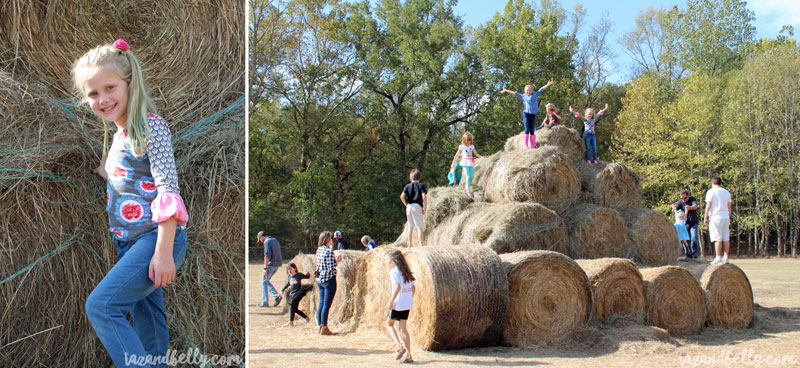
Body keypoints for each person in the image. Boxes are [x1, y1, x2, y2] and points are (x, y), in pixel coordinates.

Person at [76, 39, 189, 367]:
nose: (102, 99)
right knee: (149, 326)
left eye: (109, 88)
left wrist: (164, 252)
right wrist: (103, 171)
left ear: (129, 83)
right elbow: (127, 178)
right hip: (128, 245)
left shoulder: (150, 125)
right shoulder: (119, 136)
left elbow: (168, 188)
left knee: (101, 307)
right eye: (93, 94)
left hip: (154, 241)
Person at [500, 80, 555, 149]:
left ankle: (532, 145)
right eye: (527, 90)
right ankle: (525, 145)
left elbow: (541, 89)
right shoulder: (523, 96)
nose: (528, 92)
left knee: (532, 130)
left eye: (529, 90)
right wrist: (506, 90)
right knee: (527, 129)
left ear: (532, 91)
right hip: (526, 114)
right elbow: (515, 93)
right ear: (524, 91)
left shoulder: (535, 95)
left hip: (533, 115)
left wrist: (548, 84)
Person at [385, 250, 416, 364]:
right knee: (403, 328)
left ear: (393, 260)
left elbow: (397, 287)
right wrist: (408, 298)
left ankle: (399, 347)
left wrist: (391, 301)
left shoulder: (394, 271)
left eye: (387, 259)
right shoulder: (406, 271)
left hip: (398, 304)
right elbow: (413, 288)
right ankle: (409, 355)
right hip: (407, 303)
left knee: (389, 324)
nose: (387, 262)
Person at [315, 231, 342, 335]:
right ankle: (325, 327)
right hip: (329, 280)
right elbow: (331, 266)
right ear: (327, 239)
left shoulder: (319, 250)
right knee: (326, 304)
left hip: (320, 280)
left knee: (321, 303)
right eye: (330, 238)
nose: (332, 239)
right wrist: (338, 260)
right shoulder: (329, 251)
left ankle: (321, 326)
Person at [704, 177, 732, 264]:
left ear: (712, 183)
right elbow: (729, 206)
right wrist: (728, 215)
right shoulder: (726, 192)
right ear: (720, 183)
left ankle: (718, 257)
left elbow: (708, 205)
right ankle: (726, 257)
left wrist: (705, 217)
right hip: (725, 217)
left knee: (717, 238)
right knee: (726, 238)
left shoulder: (711, 192)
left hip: (716, 217)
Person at [449, 132, 482, 198]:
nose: (469, 142)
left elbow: (476, 154)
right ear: (464, 140)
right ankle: (468, 190)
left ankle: (466, 188)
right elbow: (456, 156)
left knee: (472, 176)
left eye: (470, 140)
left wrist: (481, 157)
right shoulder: (462, 147)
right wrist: (453, 163)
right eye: (468, 140)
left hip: (470, 161)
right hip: (465, 162)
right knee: (468, 176)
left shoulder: (471, 146)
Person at [400, 169, 427, 247]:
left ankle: (410, 245)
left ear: (410, 178)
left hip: (409, 207)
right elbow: (424, 196)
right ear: (419, 178)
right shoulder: (421, 185)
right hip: (417, 206)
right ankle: (421, 245)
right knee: (419, 227)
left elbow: (402, 196)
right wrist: (425, 207)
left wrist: (406, 205)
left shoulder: (407, 186)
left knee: (410, 227)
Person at [673, 190, 700, 258]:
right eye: (682, 198)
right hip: (685, 225)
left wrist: (689, 208)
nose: (683, 200)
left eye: (685, 198)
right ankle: (688, 254)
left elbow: (695, 206)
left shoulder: (692, 199)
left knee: (694, 237)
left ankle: (695, 253)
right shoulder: (680, 202)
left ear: (688, 196)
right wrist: (674, 209)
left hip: (693, 222)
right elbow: (674, 209)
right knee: (686, 240)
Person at [258, 231, 283, 307]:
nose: (260, 241)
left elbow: (267, 256)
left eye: (260, 239)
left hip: (271, 265)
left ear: (262, 237)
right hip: (277, 264)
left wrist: (265, 268)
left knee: (264, 282)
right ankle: (276, 296)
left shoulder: (267, 242)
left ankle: (265, 302)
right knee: (266, 281)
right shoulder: (275, 240)